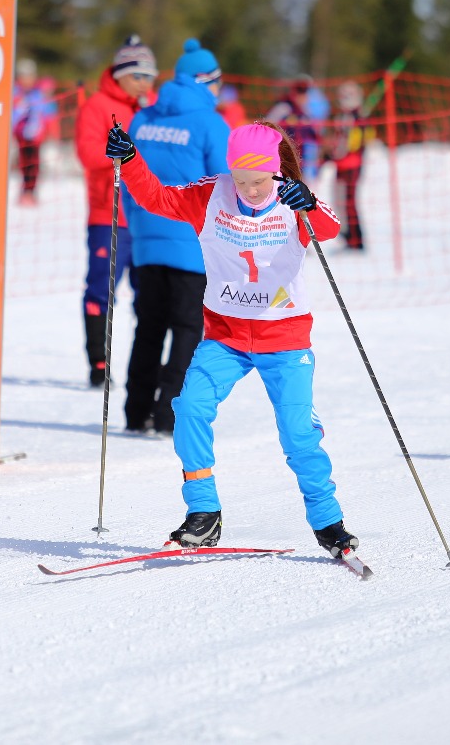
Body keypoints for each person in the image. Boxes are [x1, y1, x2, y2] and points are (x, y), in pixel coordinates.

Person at [104, 119, 361, 558]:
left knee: (298, 434)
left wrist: (309, 206)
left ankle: (328, 522)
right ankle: (204, 514)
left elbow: (331, 228)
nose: (250, 190)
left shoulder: (292, 196)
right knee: (189, 410)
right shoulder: (212, 193)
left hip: (285, 340)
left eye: (259, 180)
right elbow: (157, 197)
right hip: (225, 337)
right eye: (241, 180)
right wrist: (129, 160)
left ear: (275, 170)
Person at [123, 39, 230, 436]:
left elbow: (128, 177)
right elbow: (224, 185)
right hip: (192, 241)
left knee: (148, 326)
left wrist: (137, 223)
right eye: (218, 82)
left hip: (147, 237)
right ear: (206, 81)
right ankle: (168, 415)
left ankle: (135, 412)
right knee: (186, 328)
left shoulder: (143, 118)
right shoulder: (211, 124)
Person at [74, 34, 157, 388]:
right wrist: (119, 153)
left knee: (150, 295)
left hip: (150, 216)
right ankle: (98, 361)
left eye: (150, 76)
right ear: (121, 74)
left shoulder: (153, 106)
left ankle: (145, 366)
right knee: (100, 289)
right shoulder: (97, 105)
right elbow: (87, 155)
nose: (145, 83)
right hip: (109, 216)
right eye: (138, 75)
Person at [330, 80, 371, 250]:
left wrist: (334, 153)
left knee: (349, 202)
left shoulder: (356, 118)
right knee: (340, 200)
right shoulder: (345, 116)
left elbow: (351, 144)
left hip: (351, 165)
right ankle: (348, 236)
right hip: (343, 165)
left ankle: (355, 240)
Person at [265, 75, 321, 181]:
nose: (302, 96)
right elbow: (266, 126)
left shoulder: (306, 114)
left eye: (305, 92)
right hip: (281, 159)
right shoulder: (284, 107)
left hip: (300, 161)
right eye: (300, 91)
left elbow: (315, 136)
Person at [12, 58, 49, 207]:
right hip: (20, 136)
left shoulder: (38, 93)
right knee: (23, 164)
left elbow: (47, 112)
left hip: (36, 137)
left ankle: (31, 192)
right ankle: (25, 191)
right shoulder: (16, 93)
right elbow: (13, 114)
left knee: (34, 165)